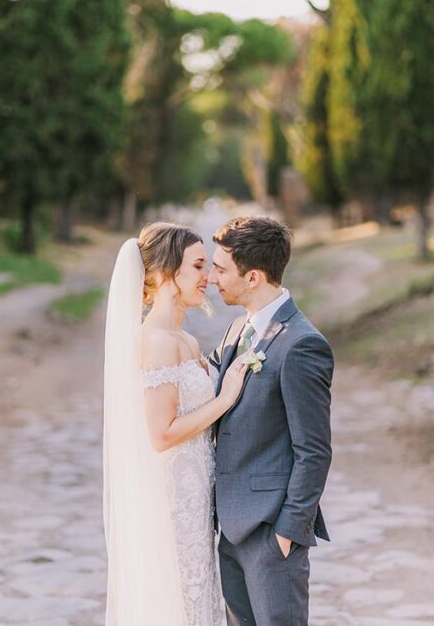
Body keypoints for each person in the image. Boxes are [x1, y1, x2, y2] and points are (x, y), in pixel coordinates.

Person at [103, 222, 248, 625]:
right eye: (199, 266)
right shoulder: (157, 342)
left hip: (195, 497)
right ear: (167, 273)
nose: (209, 277)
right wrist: (224, 400)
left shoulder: (184, 338)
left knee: (198, 600)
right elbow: (161, 434)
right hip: (172, 501)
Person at [207, 216, 334, 625]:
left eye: (221, 269)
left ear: (254, 277)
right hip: (229, 531)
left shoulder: (302, 345)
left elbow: (313, 451)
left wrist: (287, 533)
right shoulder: (234, 333)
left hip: (269, 533)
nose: (212, 277)